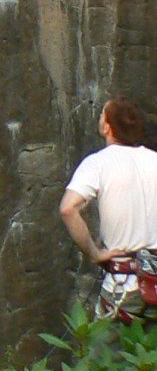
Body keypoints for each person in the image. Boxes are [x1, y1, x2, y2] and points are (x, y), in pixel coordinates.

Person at [62, 97, 157, 318]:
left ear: (106, 127)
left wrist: (94, 253)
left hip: (125, 284)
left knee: (104, 350)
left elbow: (68, 208)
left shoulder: (98, 163)